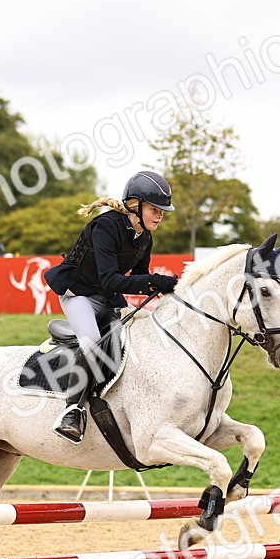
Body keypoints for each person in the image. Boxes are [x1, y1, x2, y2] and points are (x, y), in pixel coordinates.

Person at [43, 171, 177, 443]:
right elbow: (111, 279)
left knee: (140, 333)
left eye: (162, 211)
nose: (160, 215)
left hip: (107, 298)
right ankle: (72, 411)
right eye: (154, 209)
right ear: (134, 205)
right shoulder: (105, 226)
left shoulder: (144, 238)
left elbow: (137, 278)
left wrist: (166, 291)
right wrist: (154, 282)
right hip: (79, 294)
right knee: (92, 341)